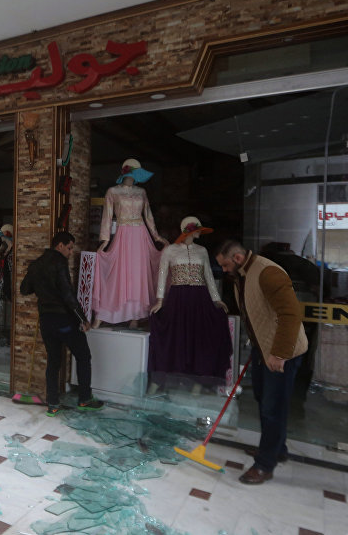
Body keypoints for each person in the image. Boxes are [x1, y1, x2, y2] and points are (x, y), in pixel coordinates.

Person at [215, 240, 308, 485]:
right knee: (263, 399)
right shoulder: (242, 276)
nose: (223, 270)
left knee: (272, 406)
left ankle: (265, 464)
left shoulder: (268, 273)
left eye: (225, 265)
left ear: (236, 258)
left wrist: (279, 353)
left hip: (282, 352)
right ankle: (278, 448)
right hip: (262, 349)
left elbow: (291, 314)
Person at [19, 232, 104, 417]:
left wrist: (40, 284)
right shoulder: (59, 263)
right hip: (64, 320)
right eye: (70, 247)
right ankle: (84, 398)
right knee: (83, 355)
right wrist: (83, 319)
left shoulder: (36, 264)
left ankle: (53, 404)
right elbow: (68, 295)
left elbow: (24, 289)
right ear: (59, 246)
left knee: (54, 361)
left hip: (47, 322)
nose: (71, 251)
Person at [148, 217, 232, 390]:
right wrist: (160, 300)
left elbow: (208, 275)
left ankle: (198, 385)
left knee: (200, 338)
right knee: (174, 337)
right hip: (177, 298)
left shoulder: (202, 251)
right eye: (198, 229)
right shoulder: (170, 250)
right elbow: (163, 275)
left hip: (200, 298)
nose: (201, 232)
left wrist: (216, 299)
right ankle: (159, 381)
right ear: (190, 230)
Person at [92, 159, 167, 329]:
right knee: (117, 273)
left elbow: (148, 214)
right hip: (123, 232)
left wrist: (156, 236)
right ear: (126, 173)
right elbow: (107, 215)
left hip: (141, 234)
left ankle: (136, 315)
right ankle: (104, 313)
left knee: (138, 274)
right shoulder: (113, 191)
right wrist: (104, 240)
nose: (134, 178)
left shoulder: (142, 192)